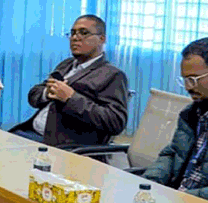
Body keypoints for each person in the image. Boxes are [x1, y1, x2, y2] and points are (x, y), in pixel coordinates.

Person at [9, 15, 128, 146]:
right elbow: (33, 96)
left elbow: (115, 122)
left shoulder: (112, 75)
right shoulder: (66, 65)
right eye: (73, 33)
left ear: (102, 39)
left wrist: (70, 98)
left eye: (84, 33)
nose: (75, 38)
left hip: (61, 146)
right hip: (29, 132)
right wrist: (47, 93)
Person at [143, 37, 208, 203]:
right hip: (178, 201)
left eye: (194, 79)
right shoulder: (191, 113)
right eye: (185, 80)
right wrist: (149, 183)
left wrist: (182, 198)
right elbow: (173, 154)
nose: (188, 87)